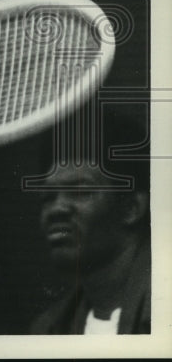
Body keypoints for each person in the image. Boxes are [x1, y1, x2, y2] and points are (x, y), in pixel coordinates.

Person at [31, 140, 150, 334]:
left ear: (131, 208)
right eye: (47, 197)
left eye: (80, 192)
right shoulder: (48, 330)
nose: (56, 209)